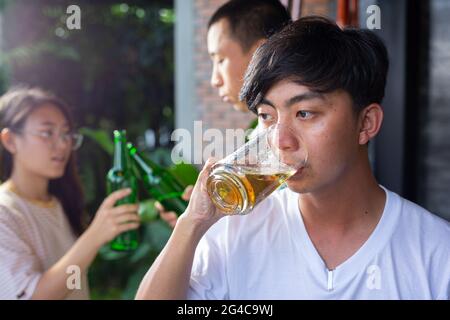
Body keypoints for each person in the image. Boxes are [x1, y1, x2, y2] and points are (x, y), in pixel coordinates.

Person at [135, 16, 450, 300]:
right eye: (267, 116)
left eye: (304, 113)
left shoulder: (436, 254)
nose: (280, 140)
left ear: (365, 123)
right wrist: (192, 225)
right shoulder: (235, 233)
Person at [158, 0, 291, 227]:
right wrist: (205, 219)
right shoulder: (259, 134)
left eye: (220, 60)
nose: (214, 80)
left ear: (261, 53)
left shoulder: (287, 140)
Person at [0, 87, 140, 299]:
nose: (63, 143)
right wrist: (94, 236)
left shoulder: (59, 204)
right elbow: (28, 296)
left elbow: (73, 282)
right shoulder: (5, 212)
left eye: (67, 133)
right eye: (47, 133)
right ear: (10, 141)